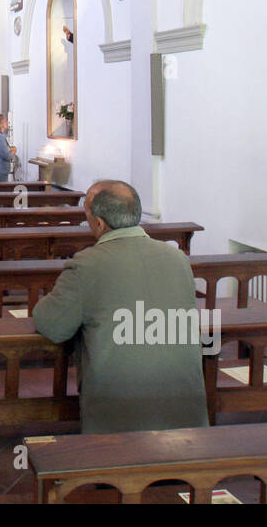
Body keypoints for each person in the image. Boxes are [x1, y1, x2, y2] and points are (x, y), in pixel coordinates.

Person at [33, 180, 208, 434]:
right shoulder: (177, 258)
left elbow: (53, 326)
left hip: (120, 418)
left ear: (99, 223)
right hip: (185, 409)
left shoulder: (86, 265)